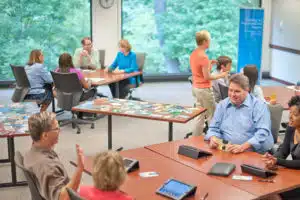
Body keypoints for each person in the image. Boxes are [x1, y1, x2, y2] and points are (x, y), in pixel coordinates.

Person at [204, 73, 274, 153]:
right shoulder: (222, 105)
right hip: (227, 151)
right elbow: (213, 128)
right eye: (230, 90)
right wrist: (213, 138)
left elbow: (262, 132)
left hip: (253, 152)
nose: (232, 94)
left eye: (237, 91)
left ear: (247, 90)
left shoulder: (259, 106)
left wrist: (243, 147)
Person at [23, 112, 84, 200]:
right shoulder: (46, 165)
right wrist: (79, 169)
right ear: (45, 135)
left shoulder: (33, 152)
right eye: (56, 129)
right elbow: (64, 198)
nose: (60, 131)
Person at [190, 30, 229, 135]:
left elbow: (199, 72)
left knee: (200, 115)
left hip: (196, 88)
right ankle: (213, 138)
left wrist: (209, 64)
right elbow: (207, 77)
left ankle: (195, 138)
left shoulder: (194, 53)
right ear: (204, 41)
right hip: (204, 90)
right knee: (212, 115)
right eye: (209, 40)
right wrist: (221, 75)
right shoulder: (203, 57)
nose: (210, 41)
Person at [262, 96, 300, 200]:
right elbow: (283, 151)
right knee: (265, 188)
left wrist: (277, 161)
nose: (290, 117)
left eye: (295, 114)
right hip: (296, 176)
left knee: (272, 195)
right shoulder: (291, 128)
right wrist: (272, 159)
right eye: (290, 113)